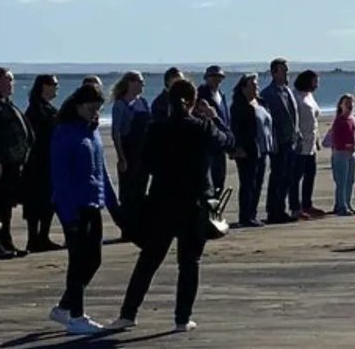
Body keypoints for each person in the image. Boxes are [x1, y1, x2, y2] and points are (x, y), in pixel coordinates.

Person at [108, 79, 235, 334]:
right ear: (191, 102)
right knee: (189, 262)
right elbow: (228, 142)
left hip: (163, 201)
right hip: (195, 204)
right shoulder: (202, 127)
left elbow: (145, 166)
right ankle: (181, 318)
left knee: (149, 260)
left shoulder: (157, 129)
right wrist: (213, 116)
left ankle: (128, 314)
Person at [49, 84, 120, 335]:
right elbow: (60, 176)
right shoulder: (64, 132)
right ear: (78, 106)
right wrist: (70, 215)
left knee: (94, 259)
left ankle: (64, 307)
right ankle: (77, 316)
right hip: (72, 205)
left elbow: (102, 171)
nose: (95, 113)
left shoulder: (93, 132)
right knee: (78, 261)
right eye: (91, 108)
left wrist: (113, 204)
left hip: (93, 202)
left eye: (98, 109)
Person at [0, 67, 33, 259]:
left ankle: (5, 241)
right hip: (0, 163)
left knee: (7, 205)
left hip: (13, 163)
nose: (11, 84)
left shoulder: (5, 102)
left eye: (12, 80)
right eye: (8, 80)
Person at [23, 74, 63, 253]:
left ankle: (43, 236)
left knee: (48, 202)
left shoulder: (48, 108)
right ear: (44, 86)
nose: (56, 88)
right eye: (54, 84)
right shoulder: (35, 110)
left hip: (50, 160)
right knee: (35, 202)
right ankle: (34, 238)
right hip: (38, 162)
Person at [111, 71, 151, 243]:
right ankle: (127, 229)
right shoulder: (120, 105)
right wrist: (121, 157)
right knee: (128, 193)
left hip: (144, 153)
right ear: (130, 83)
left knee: (141, 191)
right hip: (129, 151)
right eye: (140, 82)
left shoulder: (143, 102)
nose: (142, 85)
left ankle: (140, 227)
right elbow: (116, 133)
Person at [229, 74, 272, 227]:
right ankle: (245, 216)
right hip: (247, 150)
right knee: (248, 183)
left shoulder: (261, 102)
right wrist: (237, 148)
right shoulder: (238, 106)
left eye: (256, 85)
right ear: (243, 88)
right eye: (252, 85)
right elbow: (235, 129)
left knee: (258, 182)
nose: (256, 87)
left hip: (263, 148)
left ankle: (252, 214)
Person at [260, 59, 299, 223]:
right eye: (283, 71)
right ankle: (273, 211)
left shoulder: (287, 91)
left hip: (291, 141)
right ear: (274, 73)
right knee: (277, 176)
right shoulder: (268, 94)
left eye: (287, 71)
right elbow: (268, 121)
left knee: (288, 177)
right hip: (278, 142)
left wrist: (297, 134)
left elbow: (292, 115)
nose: (286, 74)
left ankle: (281, 209)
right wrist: (273, 141)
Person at [292, 70, 324, 218]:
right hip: (300, 143)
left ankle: (307, 204)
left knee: (310, 174)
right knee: (296, 176)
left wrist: (317, 139)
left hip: (311, 142)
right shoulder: (296, 96)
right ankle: (295, 207)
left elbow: (315, 120)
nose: (317, 85)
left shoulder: (310, 96)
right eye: (315, 81)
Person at [196, 66, 232, 194]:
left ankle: (216, 210)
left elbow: (226, 118)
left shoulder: (221, 95)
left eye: (219, 77)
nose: (217, 80)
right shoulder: (201, 94)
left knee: (220, 180)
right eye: (213, 76)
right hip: (208, 143)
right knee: (209, 182)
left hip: (221, 142)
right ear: (206, 78)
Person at [329, 95, 355, 216]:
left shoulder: (352, 119)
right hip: (341, 153)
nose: (350, 105)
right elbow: (336, 140)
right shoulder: (339, 120)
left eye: (351, 103)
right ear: (341, 105)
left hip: (351, 153)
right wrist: (346, 146)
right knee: (341, 181)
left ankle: (347, 203)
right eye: (347, 103)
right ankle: (341, 206)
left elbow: (354, 136)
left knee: (350, 179)